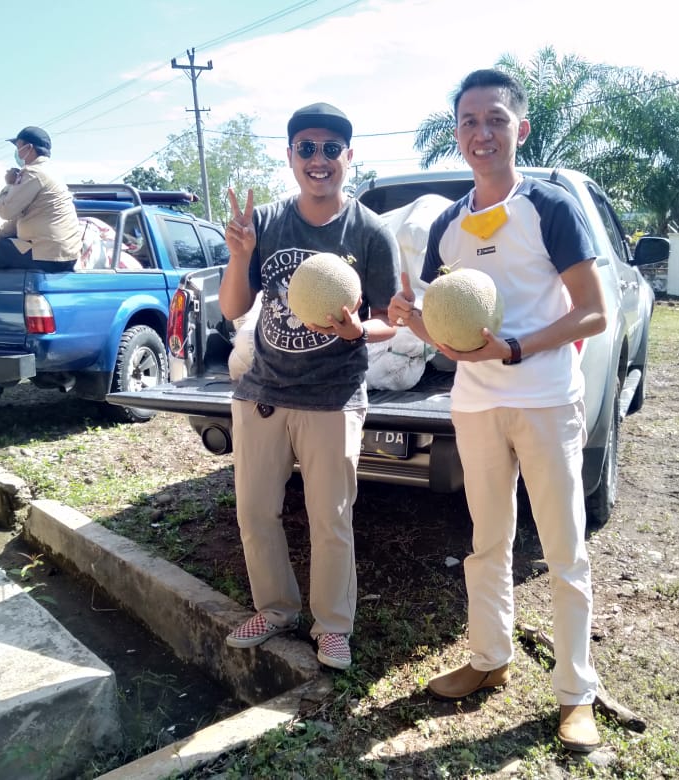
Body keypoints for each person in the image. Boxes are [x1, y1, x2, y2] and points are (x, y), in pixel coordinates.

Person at [388, 69, 606, 752]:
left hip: (543, 399)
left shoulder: (549, 207)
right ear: (456, 134)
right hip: (474, 405)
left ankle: (576, 694)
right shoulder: (448, 227)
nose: (481, 133)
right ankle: (489, 659)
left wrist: (515, 349)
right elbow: (451, 331)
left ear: (520, 129)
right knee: (487, 543)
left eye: (495, 120)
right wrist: (411, 322)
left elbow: (594, 313)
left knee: (563, 550)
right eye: (469, 122)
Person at [220, 102, 401, 671]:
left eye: (330, 149)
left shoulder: (370, 232)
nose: (318, 160)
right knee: (254, 512)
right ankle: (275, 609)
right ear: (291, 155)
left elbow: (390, 318)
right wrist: (240, 254)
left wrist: (359, 329)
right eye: (306, 148)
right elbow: (232, 306)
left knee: (331, 519)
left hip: (333, 396)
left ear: (349, 156)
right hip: (264, 393)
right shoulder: (267, 222)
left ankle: (332, 626)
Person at [0, 126, 82, 271]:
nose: (17, 152)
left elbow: (6, 212)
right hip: (65, 256)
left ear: (29, 148)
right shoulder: (52, 172)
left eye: (18, 147)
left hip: (45, 256)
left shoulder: (33, 172)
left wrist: (9, 185)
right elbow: (15, 223)